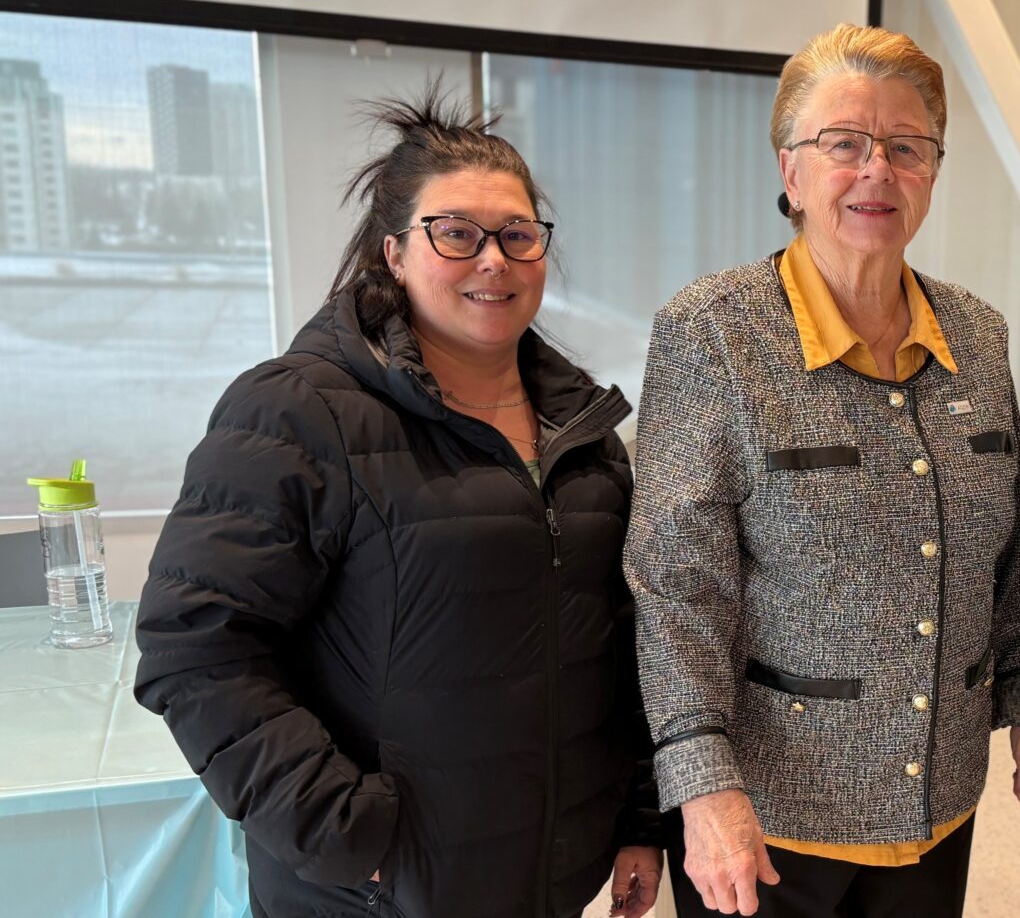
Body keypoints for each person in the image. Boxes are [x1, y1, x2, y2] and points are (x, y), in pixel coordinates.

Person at [134, 90, 667, 918]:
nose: (493, 259)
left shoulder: (584, 432)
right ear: (394, 253)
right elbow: (198, 646)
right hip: (375, 895)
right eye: (456, 233)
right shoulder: (298, 411)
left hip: (550, 882)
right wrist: (344, 835)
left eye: (518, 234)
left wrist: (636, 818)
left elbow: (624, 642)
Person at [624, 24, 1020, 918]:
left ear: (933, 171)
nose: (877, 170)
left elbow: (1007, 548)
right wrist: (702, 784)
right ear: (791, 171)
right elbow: (674, 587)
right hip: (770, 821)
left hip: (939, 800)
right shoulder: (714, 333)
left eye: (906, 147)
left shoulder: (978, 335)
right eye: (845, 144)